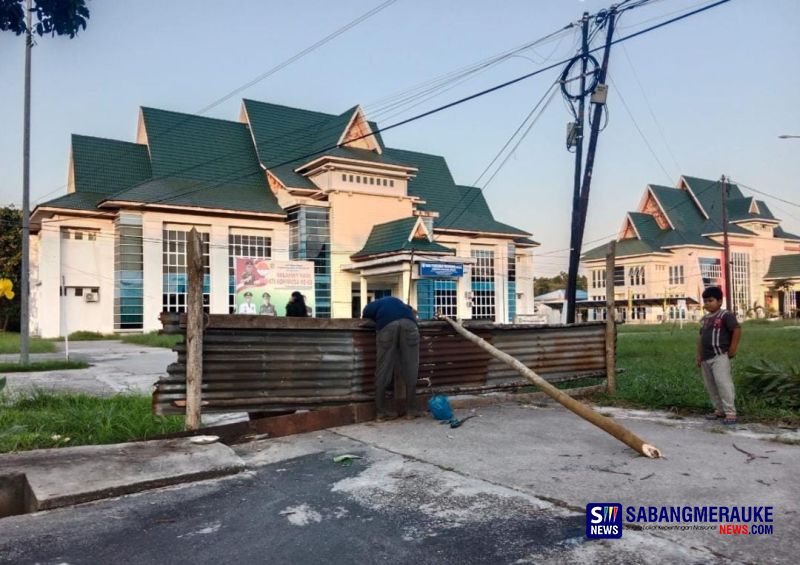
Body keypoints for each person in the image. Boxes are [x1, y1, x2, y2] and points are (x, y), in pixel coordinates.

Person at [362, 296, 420, 421]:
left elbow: (366, 318)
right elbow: (414, 311)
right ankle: (411, 411)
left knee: (383, 368)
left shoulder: (371, 306)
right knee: (411, 366)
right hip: (409, 325)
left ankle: (381, 413)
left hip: (387, 326)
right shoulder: (401, 304)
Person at [696, 286, 742, 425]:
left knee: (723, 383)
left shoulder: (725, 315)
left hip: (719, 355)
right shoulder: (705, 319)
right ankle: (719, 410)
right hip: (706, 357)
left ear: (720, 301)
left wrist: (733, 348)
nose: (708, 303)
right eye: (705, 301)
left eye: (711, 300)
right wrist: (698, 355)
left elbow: (737, 329)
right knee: (711, 385)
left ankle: (730, 412)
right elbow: (700, 337)